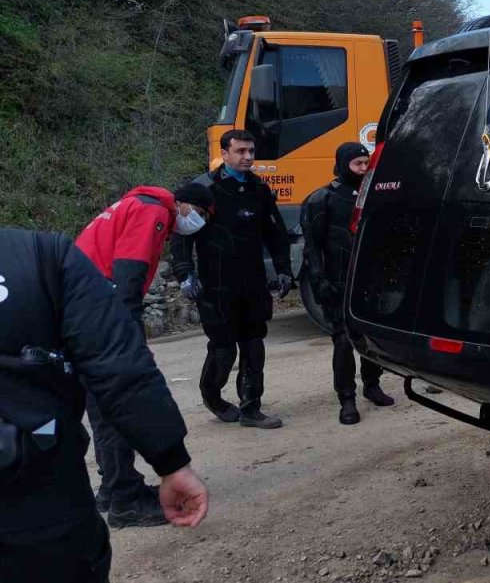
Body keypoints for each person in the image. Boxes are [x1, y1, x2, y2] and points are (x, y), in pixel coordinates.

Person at [0, 228, 208, 582]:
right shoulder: (43, 255)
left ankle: (119, 489)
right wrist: (171, 461)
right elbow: (118, 365)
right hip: (43, 521)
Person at [74, 183, 213, 528]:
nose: (198, 221)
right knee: (117, 400)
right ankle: (125, 500)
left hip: (80, 307)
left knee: (103, 404)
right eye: (200, 214)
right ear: (183, 205)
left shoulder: (133, 204)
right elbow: (128, 278)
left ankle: (113, 488)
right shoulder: (152, 211)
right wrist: (129, 339)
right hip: (96, 310)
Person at [171, 129, 293, 430]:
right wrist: (185, 274)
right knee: (224, 348)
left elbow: (275, 233)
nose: (247, 157)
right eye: (240, 151)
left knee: (254, 345)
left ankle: (251, 408)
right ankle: (212, 396)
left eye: (251, 151)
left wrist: (283, 269)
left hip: (252, 282)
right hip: (216, 284)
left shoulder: (259, 189)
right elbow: (182, 237)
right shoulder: (204, 190)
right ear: (224, 153)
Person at [302, 143, 396, 425]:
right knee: (343, 342)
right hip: (337, 282)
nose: (364, 168)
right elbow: (312, 247)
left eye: (366, 163)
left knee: (370, 338)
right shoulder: (322, 199)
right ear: (344, 164)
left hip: (369, 281)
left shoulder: (376, 194)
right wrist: (318, 280)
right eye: (358, 164)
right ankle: (347, 399)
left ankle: (372, 385)